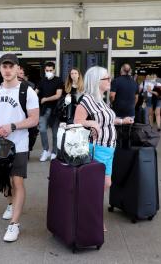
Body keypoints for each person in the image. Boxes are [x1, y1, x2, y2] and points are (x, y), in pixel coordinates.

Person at [0, 53, 39, 242]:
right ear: (0, 69)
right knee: (3, 181)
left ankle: (14, 224)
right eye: (4, 67)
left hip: (19, 144)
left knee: (17, 182)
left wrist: (12, 126)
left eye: (10, 66)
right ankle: (10, 202)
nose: (7, 70)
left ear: (17, 69)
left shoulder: (27, 91)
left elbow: (34, 119)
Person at [74, 66, 133, 231]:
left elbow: (107, 120)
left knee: (105, 183)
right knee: (98, 184)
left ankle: (90, 214)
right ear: (96, 81)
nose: (110, 81)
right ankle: (93, 218)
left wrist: (122, 121)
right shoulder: (86, 99)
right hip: (97, 147)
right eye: (106, 78)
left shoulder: (101, 99)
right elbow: (77, 121)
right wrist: (90, 123)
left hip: (109, 148)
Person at [35, 62, 63, 162]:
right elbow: (35, 92)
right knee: (42, 130)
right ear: (44, 71)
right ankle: (46, 150)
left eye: (51, 70)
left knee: (55, 133)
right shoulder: (42, 81)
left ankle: (54, 152)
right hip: (43, 110)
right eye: (47, 70)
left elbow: (58, 95)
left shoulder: (58, 80)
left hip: (55, 110)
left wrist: (46, 99)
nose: (49, 72)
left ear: (54, 70)